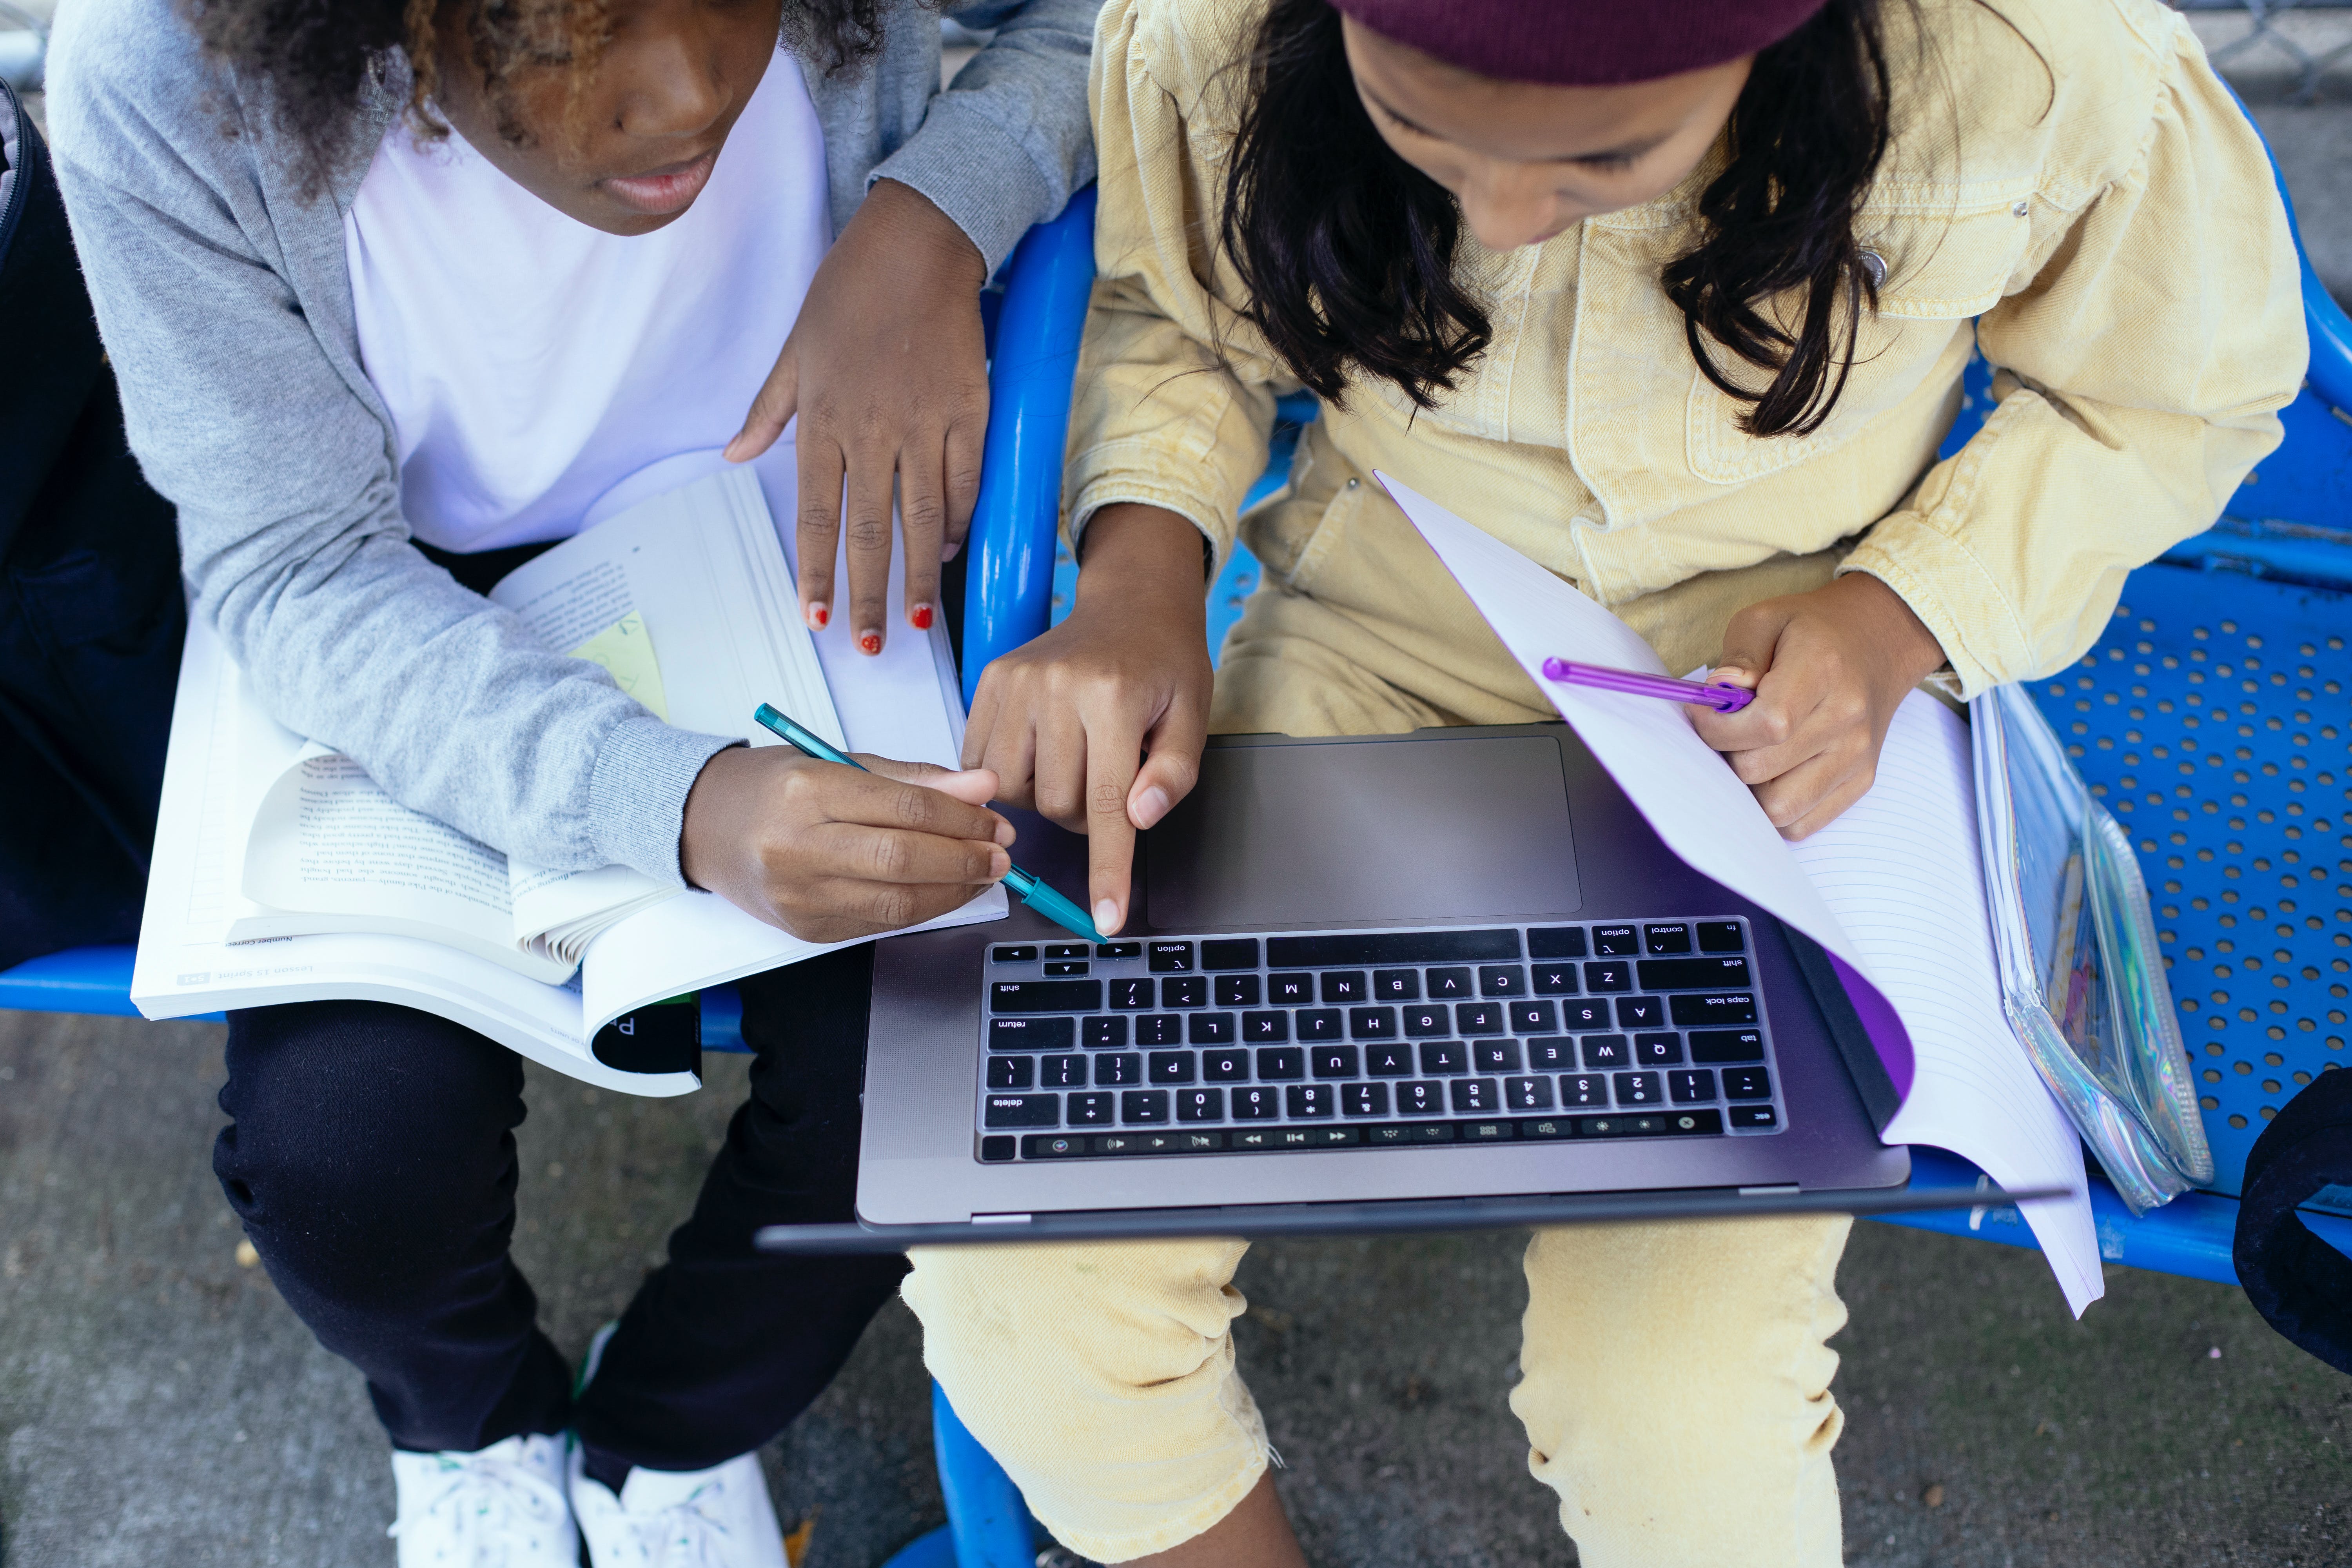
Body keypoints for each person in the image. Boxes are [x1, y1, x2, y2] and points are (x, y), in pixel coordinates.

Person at [905, 0, 2309, 1563]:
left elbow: (2174, 394)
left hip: (1774, 704)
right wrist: (1145, 578)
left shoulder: (2030, 51)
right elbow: (1174, 309)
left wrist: (1903, 613)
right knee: (1018, 1260)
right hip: (1385, 623)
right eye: (1421, 125)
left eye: (1607, 152)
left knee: (1678, 1408)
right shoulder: (1213, 25)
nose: (1495, 216)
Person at [44, 0, 1094, 1559]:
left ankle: (676, 1422)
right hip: (399, 602)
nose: (688, 97)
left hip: (779, 548)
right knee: (345, 1156)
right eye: (555, 35)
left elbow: (1119, 22)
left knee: (941, 1067)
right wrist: (672, 802)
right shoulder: (161, 66)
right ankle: (474, 1424)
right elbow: (296, 570)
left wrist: (933, 209)